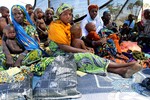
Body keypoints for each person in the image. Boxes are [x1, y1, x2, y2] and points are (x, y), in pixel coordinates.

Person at [48, 3, 142, 78]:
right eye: (65, 14)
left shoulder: (67, 25)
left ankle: (121, 71)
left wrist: (86, 48)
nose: (68, 16)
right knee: (86, 57)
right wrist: (84, 50)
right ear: (59, 15)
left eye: (70, 14)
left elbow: (75, 39)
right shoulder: (55, 26)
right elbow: (63, 47)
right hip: (59, 55)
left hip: (68, 52)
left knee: (87, 58)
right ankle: (123, 66)